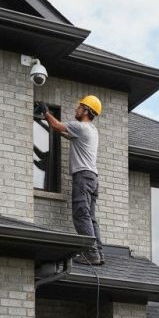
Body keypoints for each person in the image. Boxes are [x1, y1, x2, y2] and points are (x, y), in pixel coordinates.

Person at [36, 95, 104, 266]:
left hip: (82, 177)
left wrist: (45, 111)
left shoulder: (81, 127)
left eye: (80, 107)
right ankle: (98, 252)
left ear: (87, 111)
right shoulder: (92, 130)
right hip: (92, 178)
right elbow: (65, 132)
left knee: (81, 215)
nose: (76, 109)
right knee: (90, 217)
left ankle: (91, 253)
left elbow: (56, 125)